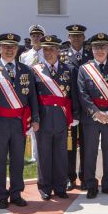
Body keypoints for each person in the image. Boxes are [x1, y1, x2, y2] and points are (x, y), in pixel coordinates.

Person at [0, 33, 39, 209]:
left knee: (18, 160)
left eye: (12, 47)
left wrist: (35, 119)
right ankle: (1, 195)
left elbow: (32, 98)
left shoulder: (25, 70)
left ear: (17, 49)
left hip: (18, 123)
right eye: (5, 46)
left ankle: (16, 193)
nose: (8, 50)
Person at [77, 33, 108, 199]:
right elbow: (82, 94)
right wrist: (96, 113)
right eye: (96, 47)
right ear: (91, 49)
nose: (99, 50)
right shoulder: (84, 69)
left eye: (103, 46)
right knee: (90, 153)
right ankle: (91, 185)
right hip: (91, 118)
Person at [31, 35, 78, 200]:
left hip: (61, 117)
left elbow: (74, 95)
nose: (49, 52)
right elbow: (32, 98)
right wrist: (34, 119)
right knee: (44, 154)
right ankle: (44, 187)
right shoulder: (35, 70)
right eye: (46, 49)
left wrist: (75, 115)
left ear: (58, 50)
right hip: (43, 118)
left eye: (52, 49)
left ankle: (60, 186)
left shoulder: (69, 69)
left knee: (60, 154)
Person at [61, 24, 93, 191]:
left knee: (87, 144)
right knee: (70, 144)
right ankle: (69, 177)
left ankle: (86, 177)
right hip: (70, 108)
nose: (76, 39)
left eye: (79, 36)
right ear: (68, 38)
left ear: (84, 37)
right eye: (73, 36)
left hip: (88, 108)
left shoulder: (90, 56)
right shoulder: (62, 57)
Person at [19, 25, 46, 163]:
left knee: (44, 124)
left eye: (39, 35)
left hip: (45, 92)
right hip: (30, 92)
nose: (36, 38)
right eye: (34, 36)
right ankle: (35, 155)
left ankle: (44, 152)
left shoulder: (48, 52)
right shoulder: (24, 56)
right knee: (32, 123)